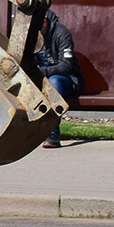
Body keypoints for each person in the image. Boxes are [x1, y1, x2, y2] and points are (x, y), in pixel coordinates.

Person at [36, 10, 83, 148]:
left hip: (67, 80)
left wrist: (42, 71)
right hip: (42, 79)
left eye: (39, 23)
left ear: (45, 21)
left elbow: (66, 66)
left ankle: (53, 135)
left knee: (54, 83)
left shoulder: (61, 33)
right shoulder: (32, 35)